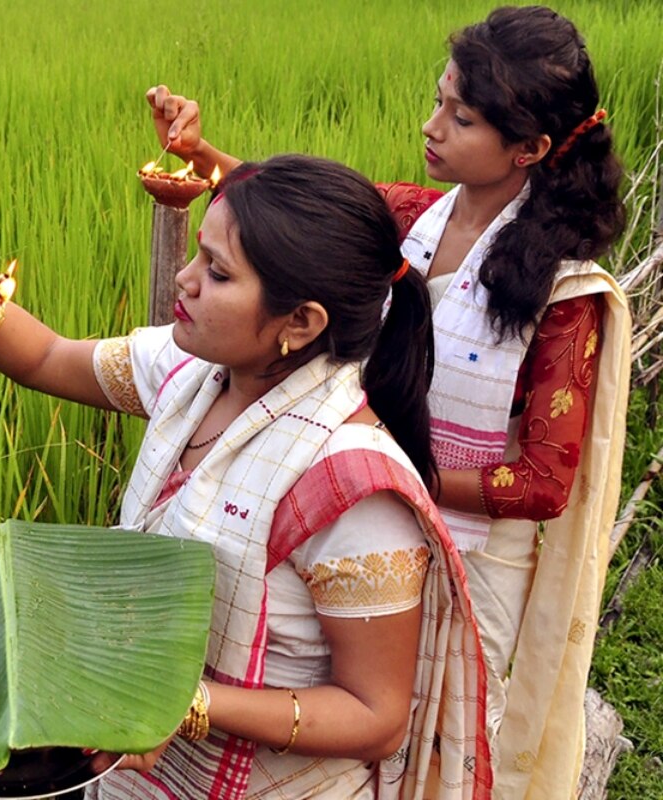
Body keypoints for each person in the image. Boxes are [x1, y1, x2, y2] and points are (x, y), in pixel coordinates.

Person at [0, 155, 490, 798]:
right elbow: (50, 357)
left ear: (300, 323)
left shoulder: (351, 489)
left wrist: (192, 704)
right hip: (138, 776)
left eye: (218, 273)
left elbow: (376, 717)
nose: (184, 279)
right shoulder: (192, 369)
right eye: (199, 255)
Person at [141, 6, 633, 797]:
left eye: (460, 116)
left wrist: (389, 479)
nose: (430, 125)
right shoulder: (414, 216)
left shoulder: (562, 294)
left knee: (434, 744)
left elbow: (542, 481)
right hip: (352, 519)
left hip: (466, 555)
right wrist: (199, 151)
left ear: (530, 149)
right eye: (439, 99)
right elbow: (289, 231)